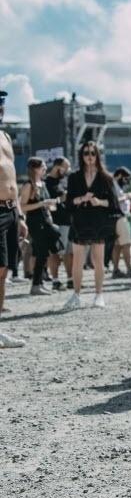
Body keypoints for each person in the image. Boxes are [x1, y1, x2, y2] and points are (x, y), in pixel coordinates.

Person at [63, 141, 118, 309]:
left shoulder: (106, 177)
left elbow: (113, 203)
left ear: (97, 155)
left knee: (98, 260)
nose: (89, 156)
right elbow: (68, 202)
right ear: (82, 155)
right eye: (86, 153)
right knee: (77, 260)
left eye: (93, 153)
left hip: (98, 222)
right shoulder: (74, 177)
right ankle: (76, 295)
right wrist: (81, 199)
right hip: (80, 221)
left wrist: (98, 201)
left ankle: (99, 295)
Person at [0, 89, 29, 348]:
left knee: (4, 270)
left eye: (1, 105)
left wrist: (19, 214)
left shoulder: (6, 136)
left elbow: (12, 180)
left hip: (10, 209)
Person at [20, 157, 60, 295]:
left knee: (43, 254)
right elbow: (22, 206)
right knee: (41, 252)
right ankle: (36, 285)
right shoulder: (28, 185)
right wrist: (41, 204)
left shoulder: (42, 183)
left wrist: (51, 205)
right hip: (35, 223)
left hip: (46, 221)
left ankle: (39, 283)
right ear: (35, 169)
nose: (45, 169)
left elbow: (46, 204)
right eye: (43, 167)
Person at [44, 157, 72, 290]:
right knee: (55, 252)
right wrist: (61, 199)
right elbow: (45, 202)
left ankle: (71, 279)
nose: (67, 170)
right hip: (55, 222)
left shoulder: (64, 179)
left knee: (68, 252)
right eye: (65, 167)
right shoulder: (46, 182)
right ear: (57, 166)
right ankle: (55, 280)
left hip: (68, 220)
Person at [110, 167, 131, 278]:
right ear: (120, 175)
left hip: (118, 217)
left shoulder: (115, 185)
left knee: (117, 245)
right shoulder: (112, 185)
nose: (126, 181)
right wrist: (127, 196)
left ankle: (116, 270)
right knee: (126, 244)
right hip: (120, 216)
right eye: (125, 178)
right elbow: (114, 200)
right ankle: (129, 269)